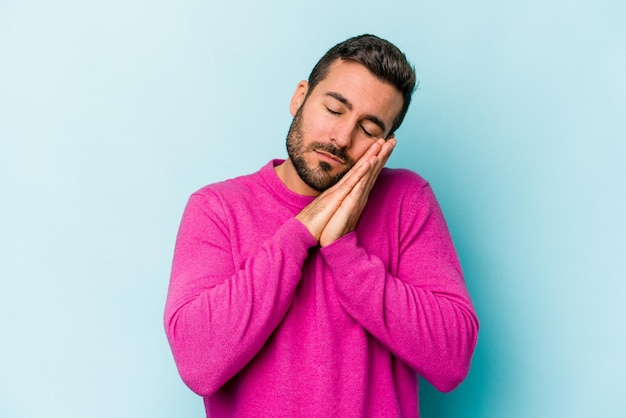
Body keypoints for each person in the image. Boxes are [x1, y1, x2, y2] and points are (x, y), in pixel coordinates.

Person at [164, 34, 479, 417]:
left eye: (368, 129)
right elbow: (198, 362)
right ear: (300, 97)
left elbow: (452, 359)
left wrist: (344, 251)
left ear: (385, 144)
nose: (342, 138)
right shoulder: (217, 208)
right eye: (334, 109)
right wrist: (301, 231)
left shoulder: (406, 201)